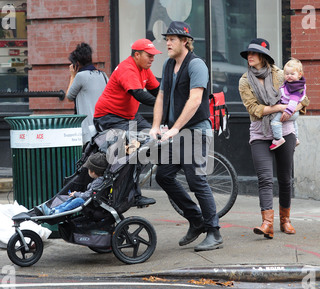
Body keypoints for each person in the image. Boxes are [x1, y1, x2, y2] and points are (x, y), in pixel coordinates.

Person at [149, 21, 223, 252]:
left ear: (185, 41)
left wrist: (175, 128)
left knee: (196, 180)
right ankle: (196, 219)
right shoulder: (169, 65)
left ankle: (214, 232)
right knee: (164, 175)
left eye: (172, 39)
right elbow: (160, 96)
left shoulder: (196, 65)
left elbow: (194, 101)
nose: (167, 43)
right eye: (167, 38)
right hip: (176, 132)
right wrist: (156, 126)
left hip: (195, 130)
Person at [238, 38, 309, 238]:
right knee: (265, 179)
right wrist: (278, 107)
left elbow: (304, 97)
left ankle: (285, 220)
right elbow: (254, 109)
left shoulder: (280, 74)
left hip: (285, 131)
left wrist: (294, 107)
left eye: (253, 53)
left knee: (285, 179)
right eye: (248, 54)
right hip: (260, 132)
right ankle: (267, 223)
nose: (249, 57)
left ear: (264, 56)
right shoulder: (245, 80)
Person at [94, 38, 162, 207]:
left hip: (130, 116)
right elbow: (139, 94)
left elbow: (157, 91)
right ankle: (131, 195)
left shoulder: (145, 68)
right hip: (110, 116)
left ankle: (130, 186)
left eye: (154, 55)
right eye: (149, 55)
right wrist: (163, 103)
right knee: (134, 148)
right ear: (136, 55)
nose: (153, 58)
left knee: (153, 136)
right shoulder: (128, 68)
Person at [66, 43, 108, 144]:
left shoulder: (80, 76)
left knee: (88, 157)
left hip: (88, 129)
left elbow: (69, 97)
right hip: (104, 126)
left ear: (77, 63)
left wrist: (72, 76)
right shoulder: (103, 75)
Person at [41, 153, 108, 215]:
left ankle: (57, 212)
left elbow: (88, 195)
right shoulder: (100, 179)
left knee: (78, 200)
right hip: (89, 200)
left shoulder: (98, 181)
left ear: (93, 172)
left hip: (90, 202)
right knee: (72, 199)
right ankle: (54, 210)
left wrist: (76, 194)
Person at [269, 58, 306, 150]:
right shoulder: (292, 83)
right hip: (294, 112)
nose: (289, 76)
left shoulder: (295, 87)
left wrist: (288, 112)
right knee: (293, 122)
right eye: (287, 74)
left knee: (275, 121)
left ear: (299, 75)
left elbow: (293, 101)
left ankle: (278, 138)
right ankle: (296, 138)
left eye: (292, 74)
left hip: (290, 110)